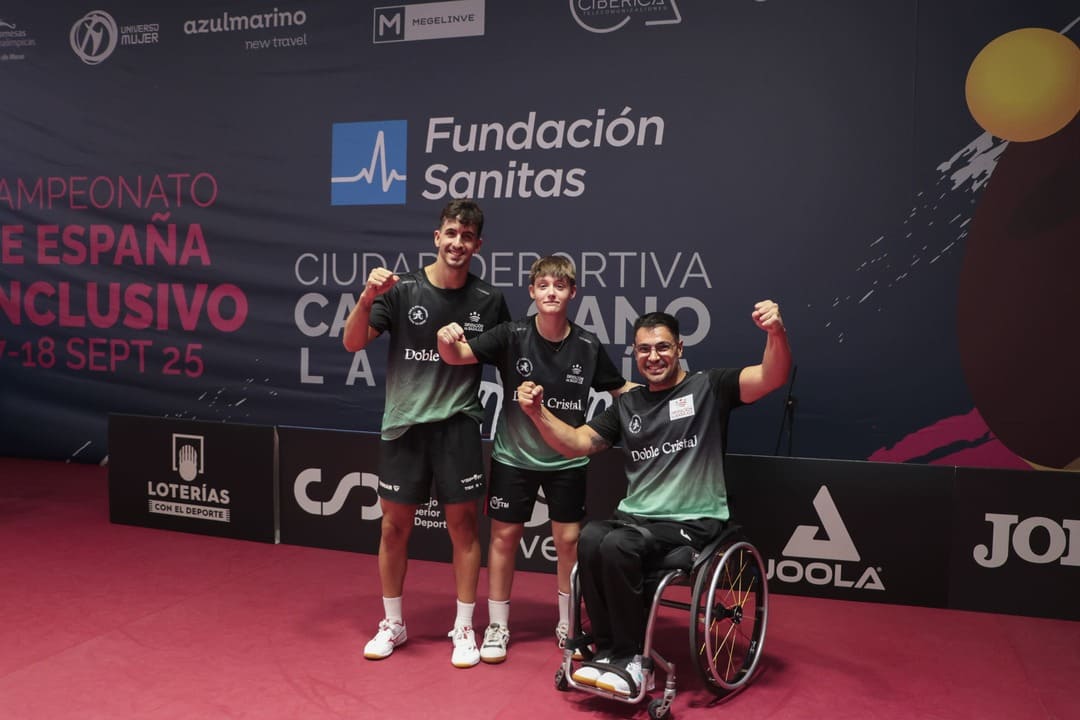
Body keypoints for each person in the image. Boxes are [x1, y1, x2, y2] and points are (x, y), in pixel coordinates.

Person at [515, 303, 791, 696]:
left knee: (620, 543)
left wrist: (776, 333)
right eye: (644, 349)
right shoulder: (627, 405)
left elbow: (771, 375)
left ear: (679, 348)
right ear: (634, 353)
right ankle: (608, 651)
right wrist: (536, 412)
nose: (653, 356)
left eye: (662, 347)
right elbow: (575, 444)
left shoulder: (710, 387)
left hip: (692, 521)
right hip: (637, 520)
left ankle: (632, 660)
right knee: (591, 537)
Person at [436, 255, 634, 664]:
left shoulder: (587, 345)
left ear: (572, 293)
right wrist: (444, 336)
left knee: (567, 542)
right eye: (543, 285)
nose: (551, 292)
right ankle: (497, 626)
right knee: (504, 539)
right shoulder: (510, 335)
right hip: (513, 457)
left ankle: (567, 624)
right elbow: (455, 355)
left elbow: (620, 390)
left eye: (560, 286)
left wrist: (672, 391)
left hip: (567, 463)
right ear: (532, 291)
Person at [343, 199, 512, 669]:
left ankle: (463, 627)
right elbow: (353, 342)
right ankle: (393, 623)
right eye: (451, 233)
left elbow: (506, 358)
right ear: (437, 237)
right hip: (403, 427)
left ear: (479, 245)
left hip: (457, 426)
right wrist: (366, 298)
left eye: (467, 236)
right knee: (394, 527)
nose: (458, 243)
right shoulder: (402, 290)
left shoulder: (489, 300)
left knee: (463, 529)